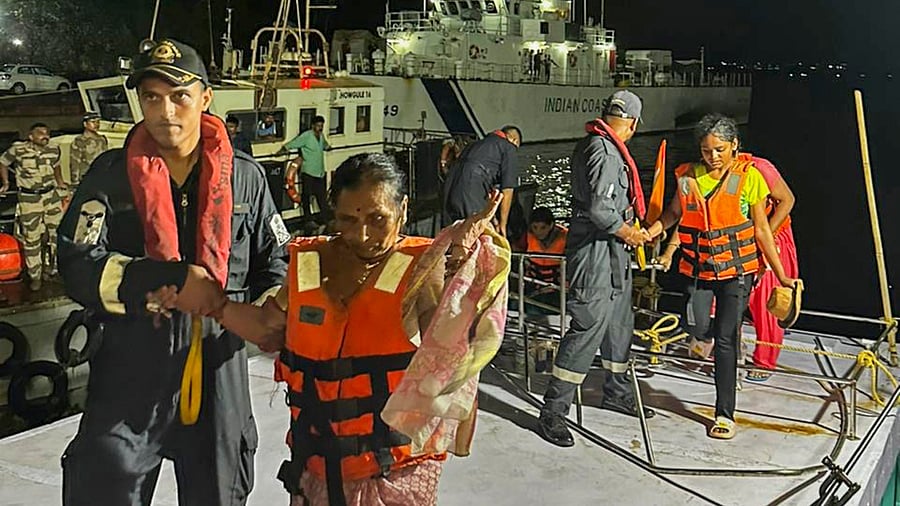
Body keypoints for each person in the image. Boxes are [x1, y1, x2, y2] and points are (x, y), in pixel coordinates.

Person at [57, 39, 288, 505]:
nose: (165, 111)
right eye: (151, 97)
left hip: (218, 373)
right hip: (129, 370)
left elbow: (276, 260)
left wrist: (264, 311)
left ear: (205, 98)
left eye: (179, 95)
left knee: (220, 492)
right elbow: (76, 262)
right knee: (102, 489)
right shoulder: (108, 177)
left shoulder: (245, 177)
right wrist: (167, 281)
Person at [204, 153, 510, 505]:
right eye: (347, 220)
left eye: (378, 219)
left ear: (404, 210)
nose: (361, 235)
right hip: (315, 466)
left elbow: (454, 340)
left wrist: (463, 256)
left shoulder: (425, 271)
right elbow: (265, 327)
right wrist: (211, 304)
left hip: (391, 475)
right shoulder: (311, 263)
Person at [645, 113, 799, 440]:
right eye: (706, 150)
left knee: (726, 340)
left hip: (737, 273)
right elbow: (675, 213)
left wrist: (782, 276)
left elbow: (761, 230)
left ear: (734, 146)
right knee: (698, 328)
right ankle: (715, 336)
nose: (713, 157)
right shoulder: (687, 178)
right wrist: (654, 231)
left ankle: (724, 413)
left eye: (719, 149)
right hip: (700, 271)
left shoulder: (751, 178)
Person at [538, 90, 654, 448]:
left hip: (613, 253)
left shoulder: (599, 145)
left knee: (619, 323)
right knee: (589, 325)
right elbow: (602, 212)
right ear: (634, 124)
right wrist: (632, 233)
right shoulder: (603, 153)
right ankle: (554, 410)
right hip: (595, 253)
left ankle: (616, 391)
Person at [654, 153, 799, 381]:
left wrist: (765, 241)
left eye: (719, 149)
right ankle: (719, 350)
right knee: (720, 302)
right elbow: (689, 218)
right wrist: (669, 251)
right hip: (727, 246)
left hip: (769, 236)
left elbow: (787, 200)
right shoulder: (701, 176)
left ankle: (765, 360)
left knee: (764, 301)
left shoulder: (757, 169)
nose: (713, 157)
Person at [0, 122, 66, 290]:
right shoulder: (18, 149)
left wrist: (60, 182)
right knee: (32, 239)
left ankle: (53, 269)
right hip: (30, 199)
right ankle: (35, 276)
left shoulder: (53, 148)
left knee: (58, 234)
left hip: (51, 196)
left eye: (47, 132)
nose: (45, 136)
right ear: (31, 136)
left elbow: (56, 165)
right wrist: (6, 183)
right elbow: (3, 162)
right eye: (41, 133)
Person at [443, 125, 521, 236]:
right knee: (476, 234)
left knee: (455, 233)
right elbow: (508, 190)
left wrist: (493, 218)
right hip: (471, 187)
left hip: (450, 187)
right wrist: (503, 226)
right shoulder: (508, 147)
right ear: (514, 140)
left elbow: (489, 190)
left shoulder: (476, 145)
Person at [280, 115, 331, 223]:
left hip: (320, 171)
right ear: (313, 126)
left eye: (321, 126)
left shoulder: (321, 136)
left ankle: (324, 218)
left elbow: (324, 145)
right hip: (308, 171)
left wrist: (328, 147)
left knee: (321, 196)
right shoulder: (306, 136)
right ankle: (308, 219)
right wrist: (283, 149)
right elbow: (294, 143)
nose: (320, 128)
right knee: (306, 196)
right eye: (318, 126)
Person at [523, 206, 568, 285]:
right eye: (535, 227)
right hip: (533, 284)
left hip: (558, 287)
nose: (538, 232)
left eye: (543, 227)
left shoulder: (567, 238)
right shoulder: (526, 237)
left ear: (551, 225)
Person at [69, 111, 109, 190]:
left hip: (102, 176)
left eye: (98, 122)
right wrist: (75, 183)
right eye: (93, 122)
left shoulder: (102, 139)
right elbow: (75, 163)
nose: (96, 124)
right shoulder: (80, 141)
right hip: (88, 177)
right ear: (85, 124)